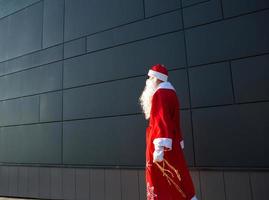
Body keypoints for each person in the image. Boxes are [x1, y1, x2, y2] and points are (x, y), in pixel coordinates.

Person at [139, 64, 198, 200]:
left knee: (161, 180)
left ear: (156, 78)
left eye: (150, 77)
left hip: (161, 145)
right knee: (177, 176)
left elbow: (161, 120)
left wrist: (159, 148)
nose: (148, 80)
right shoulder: (171, 92)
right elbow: (174, 121)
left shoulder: (160, 94)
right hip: (171, 142)